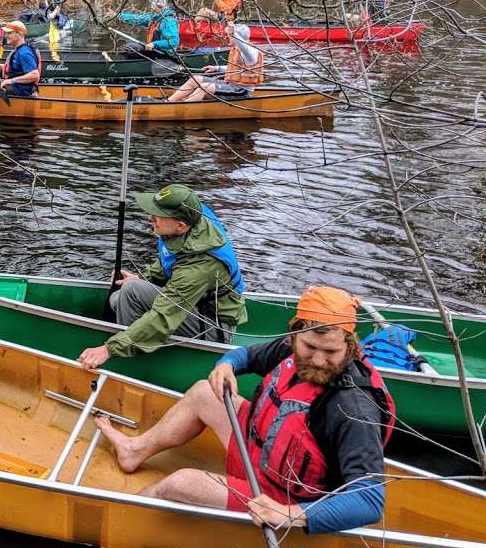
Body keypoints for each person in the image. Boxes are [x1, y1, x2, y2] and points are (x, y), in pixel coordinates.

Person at [93, 286, 395, 535]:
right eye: (309, 348)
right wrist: (226, 365)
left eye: (331, 352)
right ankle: (134, 450)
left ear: (351, 348)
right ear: (294, 337)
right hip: (258, 455)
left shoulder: (354, 408)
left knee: (179, 482)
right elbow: (245, 355)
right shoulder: (290, 350)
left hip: (282, 496)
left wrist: (289, 513)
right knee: (203, 392)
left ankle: (115, 522)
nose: (317, 361)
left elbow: (369, 500)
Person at [78, 184, 247, 370]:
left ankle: (132, 364)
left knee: (131, 292)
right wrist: (143, 277)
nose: (151, 218)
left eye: (157, 215)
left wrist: (109, 349)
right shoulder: (186, 225)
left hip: (214, 327)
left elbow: (164, 315)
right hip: (195, 306)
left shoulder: (200, 266)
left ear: (180, 226)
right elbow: (171, 259)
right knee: (119, 297)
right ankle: (137, 341)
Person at [167, 23, 263, 102]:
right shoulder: (236, 49)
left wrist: (234, 34)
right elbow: (234, 69)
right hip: (230, 85)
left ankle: (181, 107)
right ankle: (168, 102)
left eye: (230, 36)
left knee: (205, 87)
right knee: (195, 79)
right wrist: (217, 68)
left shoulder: (250, 53)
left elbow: (243, 45)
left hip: (242, 91)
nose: (228, 38)